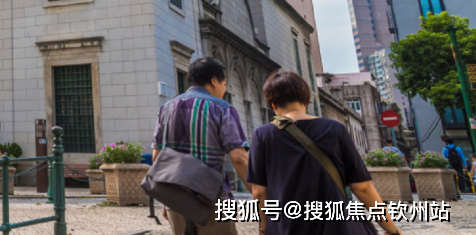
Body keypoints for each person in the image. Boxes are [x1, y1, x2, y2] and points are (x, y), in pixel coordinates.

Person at [246, 70, 401, 235]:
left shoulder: (263, 135)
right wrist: (392, 230)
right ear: (306, 100)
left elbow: (260, 193)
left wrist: (264, 230)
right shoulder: (335, 129)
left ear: (273, 105)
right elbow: (362, 187)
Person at [152, 56, 249, 235]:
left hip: (177, 199)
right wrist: (258, 194)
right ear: (214, 81)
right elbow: (239, 158)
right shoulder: (222, 108)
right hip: (213, 199)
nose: (224, 88)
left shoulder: (166, 108)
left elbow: (157, 157)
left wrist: (165, 199)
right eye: (224, 83)